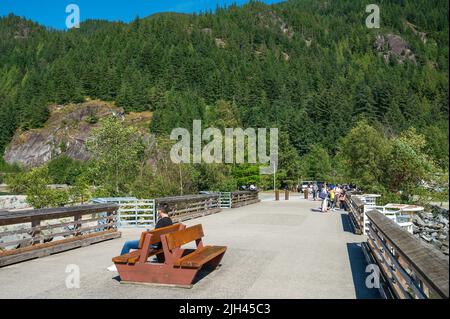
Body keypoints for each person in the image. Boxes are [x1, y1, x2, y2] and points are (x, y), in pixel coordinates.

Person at [107, 203, 173, 272]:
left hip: (154, 245)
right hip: (162, 245)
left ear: (160, 211)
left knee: (128, 244)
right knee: (138, 241)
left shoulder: (161, 221)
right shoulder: (169, 221)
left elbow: (154, 236)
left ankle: (118, 264)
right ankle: (121, 263)